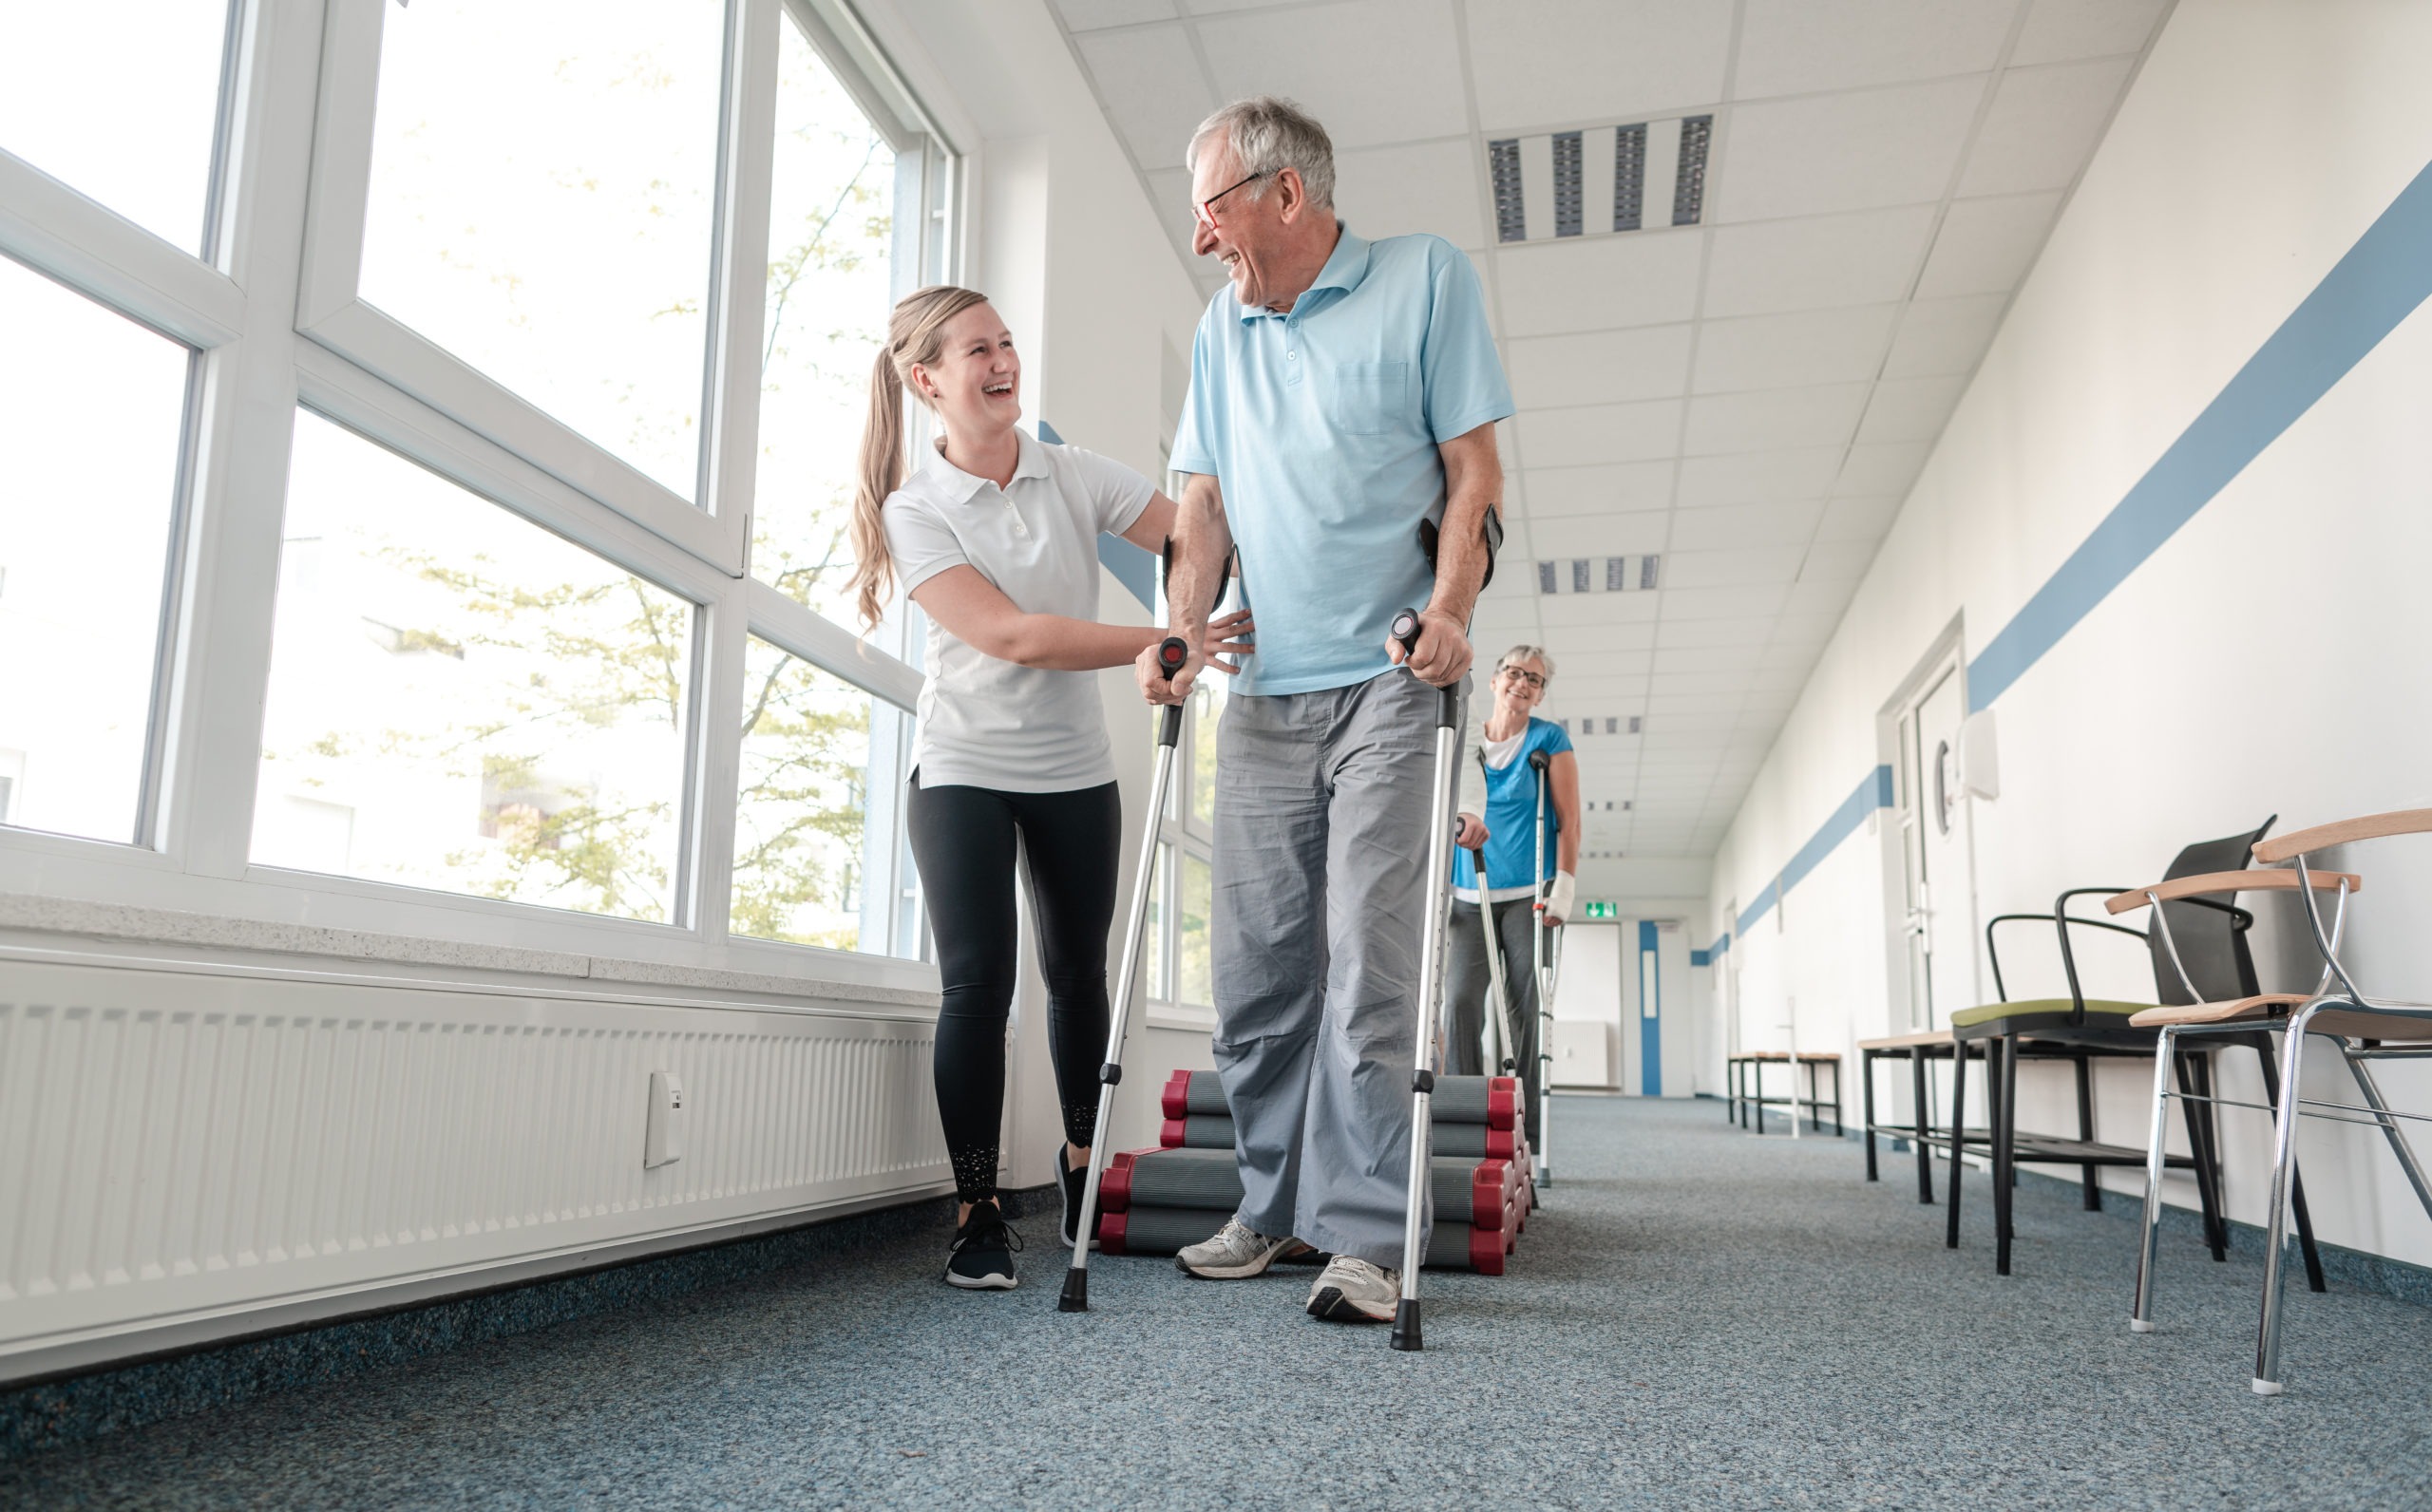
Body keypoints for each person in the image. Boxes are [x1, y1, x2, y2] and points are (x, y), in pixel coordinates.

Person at [1140, 97, 1514, 1323]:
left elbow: (1475, 473)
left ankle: (1364, 1234)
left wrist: (1452, 606)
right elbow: (1201, 507)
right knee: (1255, 967)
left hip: (1393, 679)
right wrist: (1184, 628)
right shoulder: (1220, 332)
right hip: (1268, 688)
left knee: (1369, 959)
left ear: (1283, 194)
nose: (1203, 238)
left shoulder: (1423, 280)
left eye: (1212, 208)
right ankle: (1276, 1203)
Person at [849, 284, 1252, 1291]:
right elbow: (1012, 635)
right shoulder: (915, 508)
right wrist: (1166, 639)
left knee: (1080, 978)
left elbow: (1194, 530)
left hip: (1073, 767)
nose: (1002, 361)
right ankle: (978, 1205)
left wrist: (1190, 598)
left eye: (1007, 343)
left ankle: (1079, 1169)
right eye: (976, 349)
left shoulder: (1074, 475)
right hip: (963, 768)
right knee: (977, 983)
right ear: (925, 378)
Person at [1447, 645, 1580, 1148]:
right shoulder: (1467, 739)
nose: (1523, 684)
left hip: (1528, 895)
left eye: (1535, 679)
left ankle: (1523, 1128)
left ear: (1541, 692)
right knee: (1459, 1003)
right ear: (1495, 679)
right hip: (1468, 892)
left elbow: (1569, 821)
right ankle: (1462, 1116)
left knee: (1522, 1007)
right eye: (1514, 673)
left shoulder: (1549, 740)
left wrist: (1563, 886)